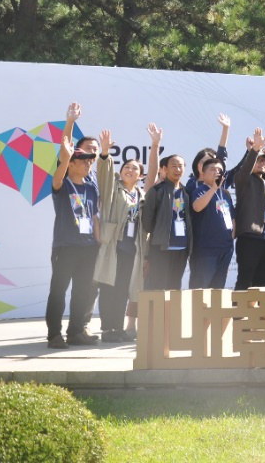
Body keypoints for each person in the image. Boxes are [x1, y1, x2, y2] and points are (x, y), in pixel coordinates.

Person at [45, 103, 101, 349]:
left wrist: (98, 241)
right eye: (84, 160)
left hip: (88, 247)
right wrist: (69, 122)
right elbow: (62, 162)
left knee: (82, 292)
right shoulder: (62, 184)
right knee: (58, 291)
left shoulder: (90, 186)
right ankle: (54, 335)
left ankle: (76, 331)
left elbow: (95, 215)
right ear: (71, 163)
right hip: (66, 246)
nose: (89, 164)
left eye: (90, 161)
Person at [94, 128, 145, 343]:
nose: (129, 170)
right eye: (126, 167)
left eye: (134, 169)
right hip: (113, 246)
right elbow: (105, 173)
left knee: (123, 289)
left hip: (130, 249)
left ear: (140, 175)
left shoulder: (141, 195)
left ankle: (119, 328)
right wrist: (105, 153)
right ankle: (108, 330)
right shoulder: (113, 188)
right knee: (109, 287)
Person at [143, 144, 192, 291]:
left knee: (174, 288)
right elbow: (147, 221)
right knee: (157, 287)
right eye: (174, 166)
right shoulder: (156, 191)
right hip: (161, 248)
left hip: (181, 248)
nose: (178, 169)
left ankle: (171, 315)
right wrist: (160, 232)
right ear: (165, 169)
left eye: (181, 166)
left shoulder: (186, 192)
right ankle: (155, 315)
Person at [232, 128, 265, 290]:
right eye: (258, 160)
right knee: (245, 278)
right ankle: (237, 315)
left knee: (262, 281)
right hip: (249, 237)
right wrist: (254, 150)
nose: (262, 163)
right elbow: (245, 167)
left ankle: (259, 315)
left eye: (264, 161)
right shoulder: (243, 179)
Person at [188, 153, 235, 289]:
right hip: (206, 250)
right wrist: (214, 187)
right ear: (203, 173)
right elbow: (197, 207)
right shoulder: (199, 190)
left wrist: (230, 241)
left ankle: (213, 311)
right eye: (213, 169)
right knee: (201, 288)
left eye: (219, 170)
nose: (217, 172)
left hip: (225, 249)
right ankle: (196, 311)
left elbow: (232, 218)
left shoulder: (225, 194)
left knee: (217, 289)